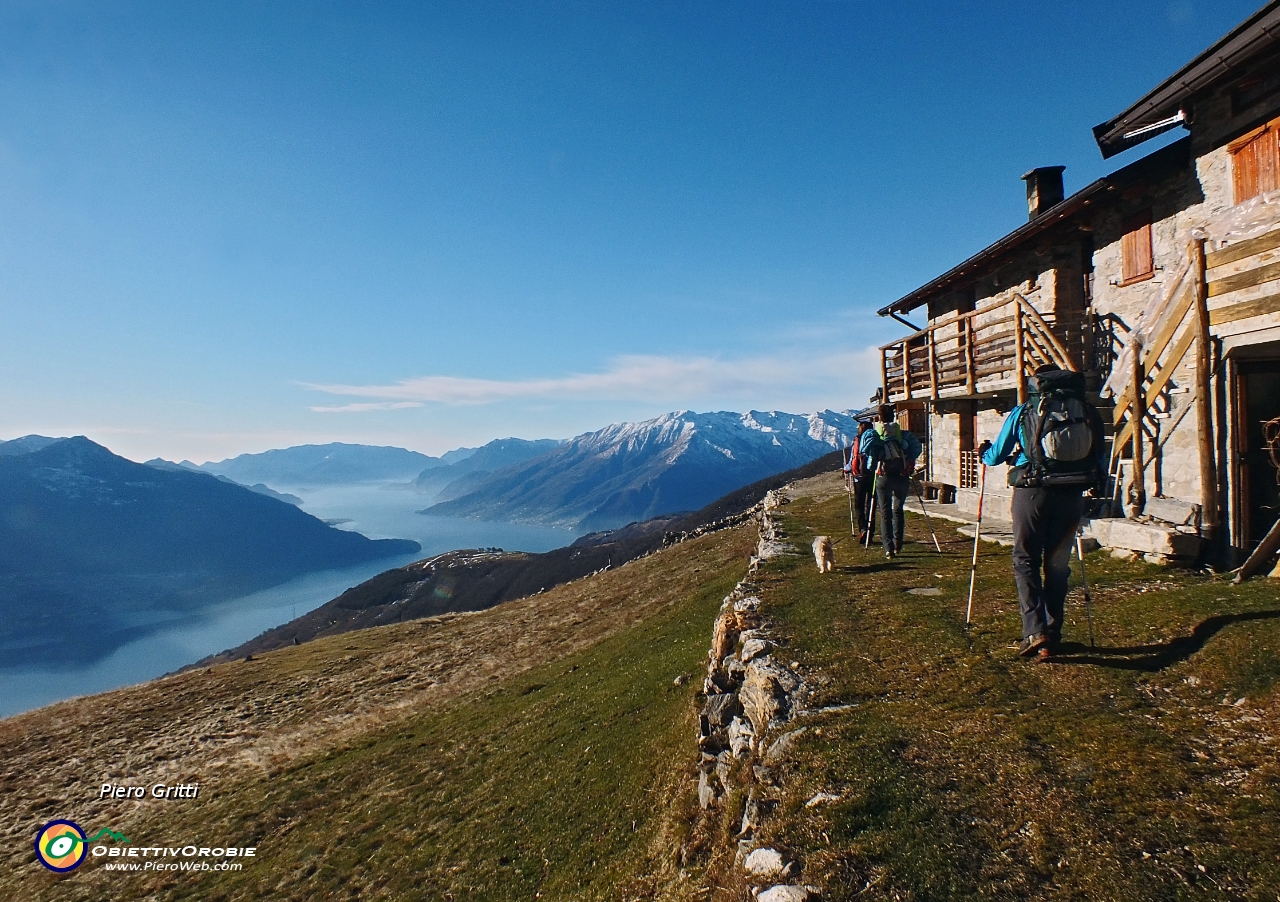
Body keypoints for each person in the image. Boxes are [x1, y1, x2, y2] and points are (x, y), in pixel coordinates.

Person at [980, 364, 1106, 659]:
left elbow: (996, 455)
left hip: (1032, 492)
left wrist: (983, 452)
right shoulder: (1086, 412)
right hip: (1072, 493)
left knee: (1025, 559)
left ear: (1038, 386)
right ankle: (1053, 632)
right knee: (1058, 564)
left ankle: (1036, 632)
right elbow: (1099, 453)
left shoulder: (1025, 412)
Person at [860, 404, 922, 559]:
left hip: (883, 476)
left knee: (885, 512)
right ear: (894, 416)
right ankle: (898, 543)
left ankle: (888, 548)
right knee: (898, 510)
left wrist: (872, 467)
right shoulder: (903, 435)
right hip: (901, 475)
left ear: (879, 417)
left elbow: (866, 452)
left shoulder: (875, 434)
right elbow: (916, 450)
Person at [845, 421, 876, 543]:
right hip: (873, 476)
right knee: (871, 504)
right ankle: (870, 532)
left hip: (858, 477)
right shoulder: (875, 440)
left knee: (859, 505)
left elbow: (852, 459)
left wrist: (847, 469)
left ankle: (862, 529)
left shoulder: (857, 441)